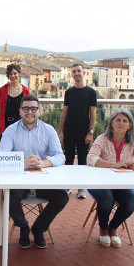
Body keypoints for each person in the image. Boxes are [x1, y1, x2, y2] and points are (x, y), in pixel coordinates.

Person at [0, 95, 68, 249]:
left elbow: (60, 156)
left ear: (39, 111)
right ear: (20, 111)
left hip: (42, 179)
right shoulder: (10, 130)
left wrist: (42, 163)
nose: (29, 112)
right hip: (19, 180)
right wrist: (24, 162)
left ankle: (39, 228)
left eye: (33, 108)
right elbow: (2, 157)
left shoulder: (49, 130)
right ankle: (23, 227)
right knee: (8, 195)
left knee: (62, 197)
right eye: (25, 108)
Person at [86, 108, 134, 248]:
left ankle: (113, 227)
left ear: (130, 126)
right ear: (111, 123)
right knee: (107, 198)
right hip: (98, 182)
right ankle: (103, 228)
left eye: (125, 121)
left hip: (122, 183)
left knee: (132, 200)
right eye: (118, 119)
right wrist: (115, 164)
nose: (121, 123)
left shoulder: (132, 142)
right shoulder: (102, 139)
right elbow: (91, 158)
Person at [58, 63, 97, 199]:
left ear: (83, 73)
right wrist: (61, 131)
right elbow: (64, 112)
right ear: (72, 74)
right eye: (74, 71)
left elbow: (93, 113)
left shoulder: (91, 92)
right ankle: (67, 185)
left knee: (82, 160)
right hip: (69, 130)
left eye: (79, 71)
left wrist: (90, 132)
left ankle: (81, 188)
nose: (77, 74)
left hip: (83, 131)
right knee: (68, 158)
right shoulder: (69, 92)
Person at [0, 64, 30, 142]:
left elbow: (28, 108)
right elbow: (1, 107)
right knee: (5, 151)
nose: (13, 76)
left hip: (21, 125)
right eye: (10, 74)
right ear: (8, 76)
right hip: (6, 125)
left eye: (15, 73)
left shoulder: (26, 91)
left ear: (19, 74)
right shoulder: (2, 90)